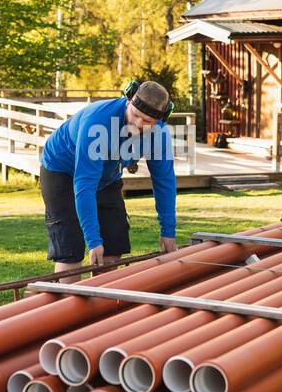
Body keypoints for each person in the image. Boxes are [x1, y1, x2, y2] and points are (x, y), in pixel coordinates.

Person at [39, 80, 178, 273]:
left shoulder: (159, 134)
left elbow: (164, 182)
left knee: (113, 244)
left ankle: (100, 299)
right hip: (62, 171)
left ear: (159, 121)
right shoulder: (98, 120)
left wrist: (168, 231)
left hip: (107, 175)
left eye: (147, 122)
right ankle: (62, 298)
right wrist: (93, 240)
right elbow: (85, 184)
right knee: (71, 250)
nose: (138, 124)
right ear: (128, 101)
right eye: (136, 115)